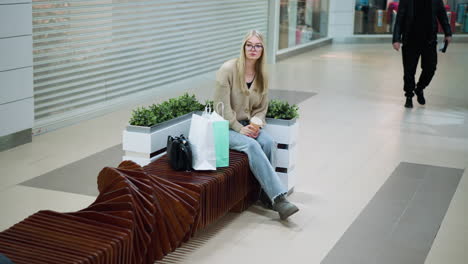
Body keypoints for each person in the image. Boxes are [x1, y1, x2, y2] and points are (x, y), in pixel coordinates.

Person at [213, 30, 299, 220]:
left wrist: (255, 124)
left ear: (262, 50)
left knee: (267, 142)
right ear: (243, 47)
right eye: (249, 45)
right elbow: (221, 109)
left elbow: (262, 107)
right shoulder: (228, 70)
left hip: (246, 124)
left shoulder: (261, 74)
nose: (253, 49)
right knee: (251, 145)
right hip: (223, 128)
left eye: (257, 45)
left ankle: (263, 194)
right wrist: (239, 128)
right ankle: (278, 198)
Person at [392, 0, 452, 108]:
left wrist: (448, 33)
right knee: (409, 71)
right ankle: (409, 96)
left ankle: (419, 88)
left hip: (429, 40)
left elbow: (442, 15)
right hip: (410, 40)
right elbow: (400, 18)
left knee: (430, 68)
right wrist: (396, 39)